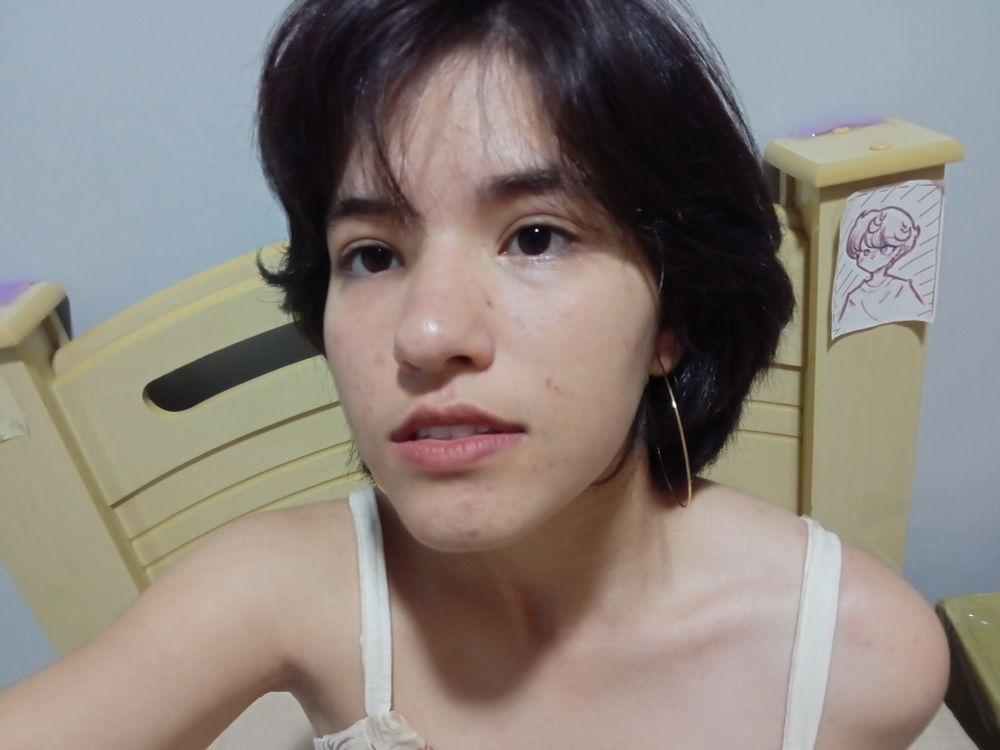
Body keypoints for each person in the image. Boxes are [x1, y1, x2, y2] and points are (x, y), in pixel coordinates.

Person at [0, 1, 949, 748]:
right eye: (372, 254)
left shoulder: (858, 658)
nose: (426, 333)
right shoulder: (278, 591)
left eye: (537, 237)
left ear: (673, 318)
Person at [837, 206, 927, 330]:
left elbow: (918, 315)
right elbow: (843, 325)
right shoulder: (855, 297)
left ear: (897, 252)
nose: (872, 256)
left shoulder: (901, 288)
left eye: (883, 250)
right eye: (865, 251)